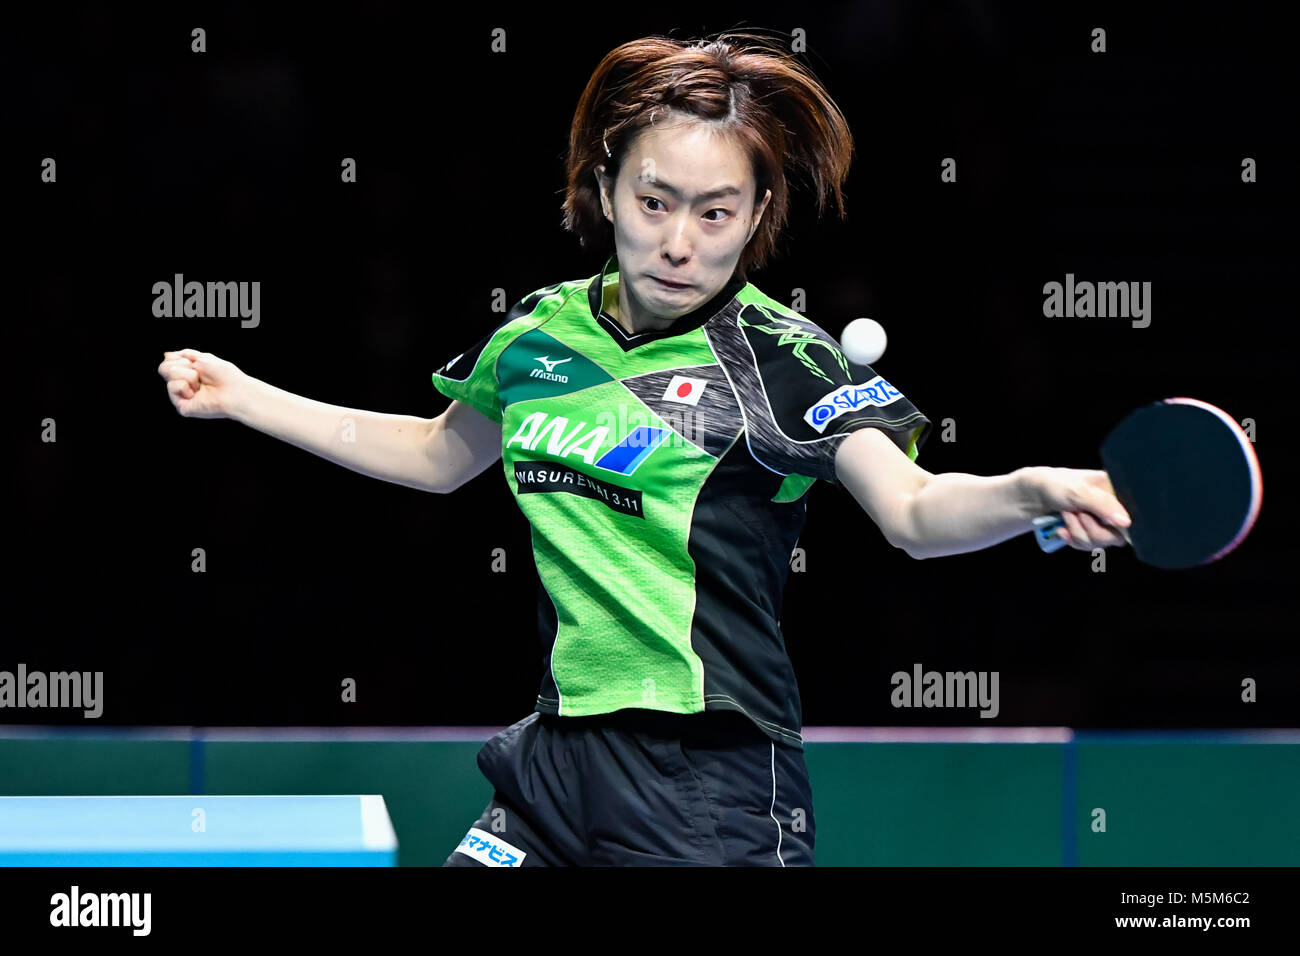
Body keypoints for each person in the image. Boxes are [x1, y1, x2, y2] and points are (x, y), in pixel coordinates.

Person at [157, 33, 1130, 867]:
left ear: (755, 217)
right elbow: (433, 452)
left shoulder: (782, 358)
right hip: (551, 765)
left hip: (707, 782)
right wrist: (247, 397)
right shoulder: (538, 333)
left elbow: (913, 513)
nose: (679, 241)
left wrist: (1029, 490)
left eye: (715, 212)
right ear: (606, 187)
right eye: (656, 201)